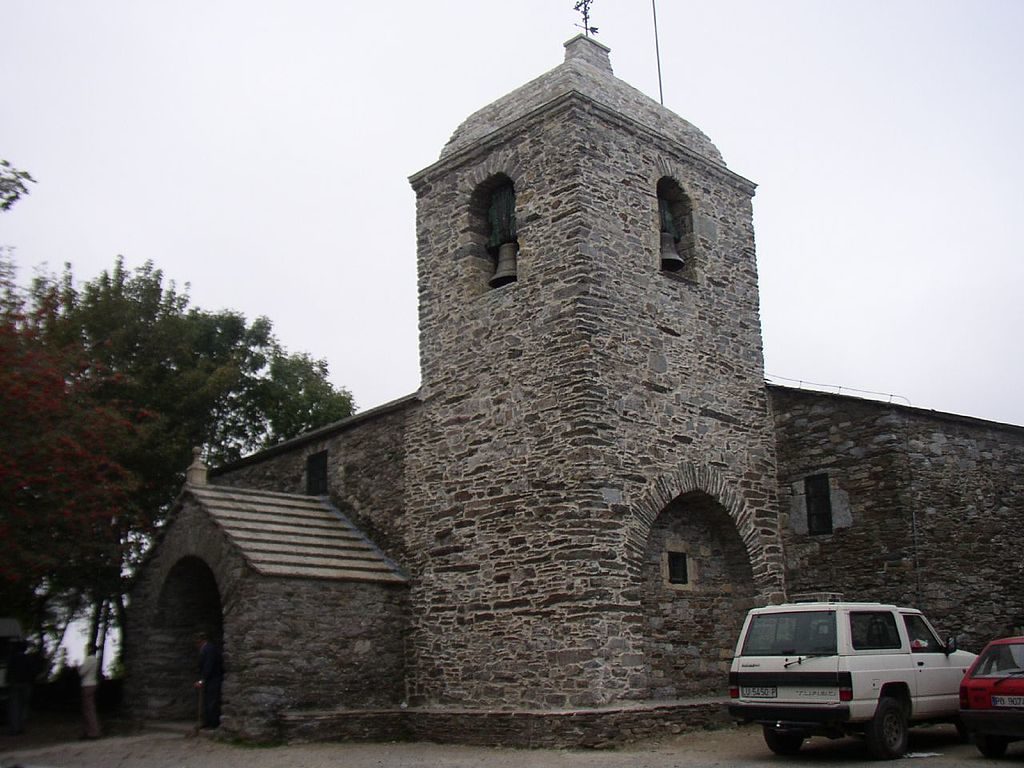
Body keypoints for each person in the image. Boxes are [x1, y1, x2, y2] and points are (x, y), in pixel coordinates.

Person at [194, 632, 223, 728]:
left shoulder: (209, 649)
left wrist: (202, 680)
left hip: (213, 679)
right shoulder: (206, 649)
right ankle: (208, 722)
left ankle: (213, 723)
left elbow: (208, 666)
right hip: (210, 680)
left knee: (212, 702)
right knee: (208, 701)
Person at [6, 640, 32, 735]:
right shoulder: (27, 658)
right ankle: (21, 727)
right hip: (25, 684)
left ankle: (14, 728)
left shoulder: (13, 659)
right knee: (24, 706)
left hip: (15, 684)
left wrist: (8, 681)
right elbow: (31, 672)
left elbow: (9, 672)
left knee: (14, 707)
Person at [78, 644, 101, 739]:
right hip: (93, 683)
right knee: (90, 708)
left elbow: (82, 672)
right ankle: (91, 731)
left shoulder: (89, 659)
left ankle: (92, 732)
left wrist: (78, 668)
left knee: (88, 710)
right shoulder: (95, 660)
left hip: (87, 684)